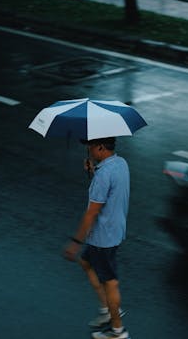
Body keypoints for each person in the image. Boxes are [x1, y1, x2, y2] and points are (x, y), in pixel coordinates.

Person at [64, 137, 131, 339]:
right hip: (115, 229)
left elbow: (91, 213)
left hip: (103, 237)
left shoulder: (103, 175)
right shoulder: (121, 163)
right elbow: (110, 190)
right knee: (86, 262)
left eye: (91, 146)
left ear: (100, 146)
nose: (89, 150)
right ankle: (107, 310)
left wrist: (75, 243)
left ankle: (117, 330)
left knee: (110, 282)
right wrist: (93, 172)